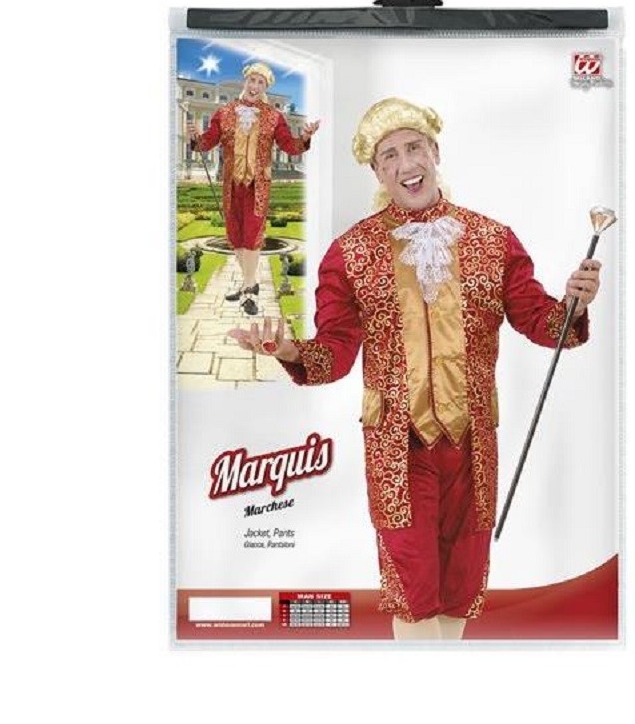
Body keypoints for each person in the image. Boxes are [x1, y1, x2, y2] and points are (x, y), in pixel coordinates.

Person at [229, 97, 601, 641]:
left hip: (473, 444)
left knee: (461, 583)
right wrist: (290, 351)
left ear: (435, 152)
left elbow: (543, 323)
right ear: (377, 171)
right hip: (397, 448)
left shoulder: (493, 241)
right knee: (412, 586)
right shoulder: (351, 253)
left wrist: (574, 303)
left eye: (414, 148)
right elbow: (335, 352)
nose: (407, 164)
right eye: (390, 156)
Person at [187, 62, 320, 314]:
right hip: (231, 184)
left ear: (265, 87)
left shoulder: (273, 117)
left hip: (258, 185)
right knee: (235, 236)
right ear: (245, 82)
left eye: (261, 82)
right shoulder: (224, 112)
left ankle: (249, 291)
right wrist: (195, 137)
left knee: (252, 235)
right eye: (252, 80)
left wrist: (304, 137)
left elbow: (290, 147)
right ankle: (251, 282)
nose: (255, 86)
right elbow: (207, 143)